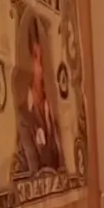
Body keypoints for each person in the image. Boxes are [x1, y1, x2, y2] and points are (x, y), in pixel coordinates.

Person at [16, 17, 64, 175]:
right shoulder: (23, 116)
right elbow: (34, 170)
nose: (41, 64)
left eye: (43, 57)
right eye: (36, 57)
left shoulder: (54, 108)